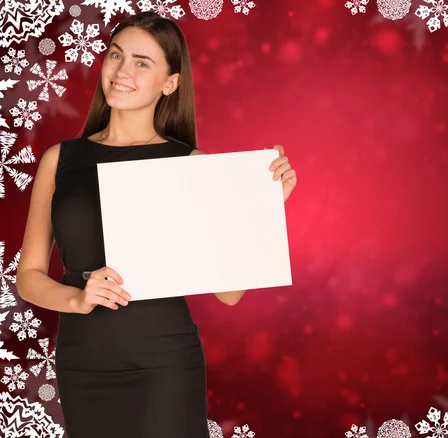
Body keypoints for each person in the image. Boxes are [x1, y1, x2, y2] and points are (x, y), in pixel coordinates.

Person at [15, 11, 296, 438]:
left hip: (165, 362)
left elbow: (230, 294)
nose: (122, 72)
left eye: (142, 63)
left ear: (170, 83)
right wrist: (78, 299)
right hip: (82, 361)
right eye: (115, 55)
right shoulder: (59, 160)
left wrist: (261, 210)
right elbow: (28, 278)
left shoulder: (193, 166)